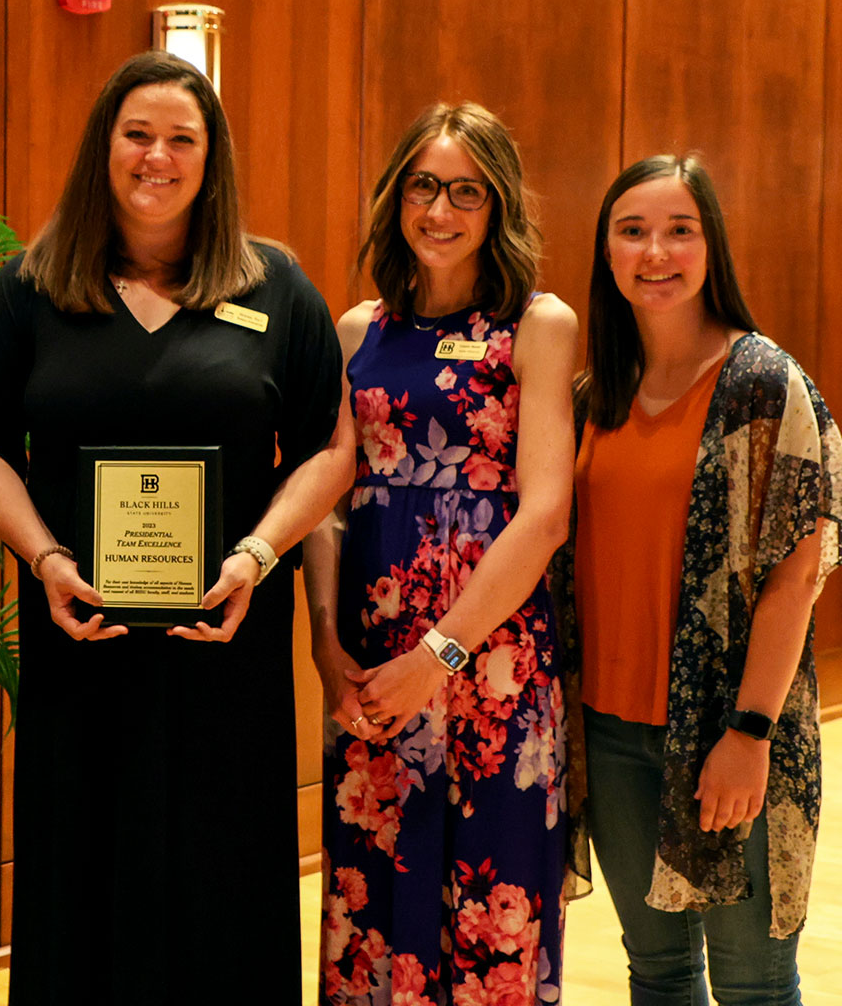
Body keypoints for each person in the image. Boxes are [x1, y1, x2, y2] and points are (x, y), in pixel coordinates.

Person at [0, 50, 352, 1002]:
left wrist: (260, 555)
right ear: (103, 146)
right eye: (138, 134)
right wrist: (47, 558)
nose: (158, 156)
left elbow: (329, 450)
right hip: (80, 640)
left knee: (223, 884)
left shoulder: (277, 286)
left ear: (212, 157)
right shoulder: (29, 289)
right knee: (80, 873)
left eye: (183, 138)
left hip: (225, 643)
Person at [306, 103, 576, 1005]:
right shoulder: (354, 332)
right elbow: (325, 507)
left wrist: (441, 655)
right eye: (425, 186)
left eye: (468, 191)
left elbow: (543, 517)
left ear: (499, 207)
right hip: (374, 670)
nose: (441, 210)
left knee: (490, 926)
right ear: (396, 197)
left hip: (490, 664)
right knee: (373, 917)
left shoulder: (537, 324)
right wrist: (323, 646)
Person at [554, 155, 839, 1004]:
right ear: (607, 253)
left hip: (728, 730)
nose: (657, 252)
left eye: (681, 231)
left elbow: (798, 581)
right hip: (610, 734)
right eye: (633, 231)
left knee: (754, 981)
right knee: (660, 971)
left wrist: (748, 736)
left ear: (712, 248)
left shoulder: (765, 385)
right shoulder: (590, 395)